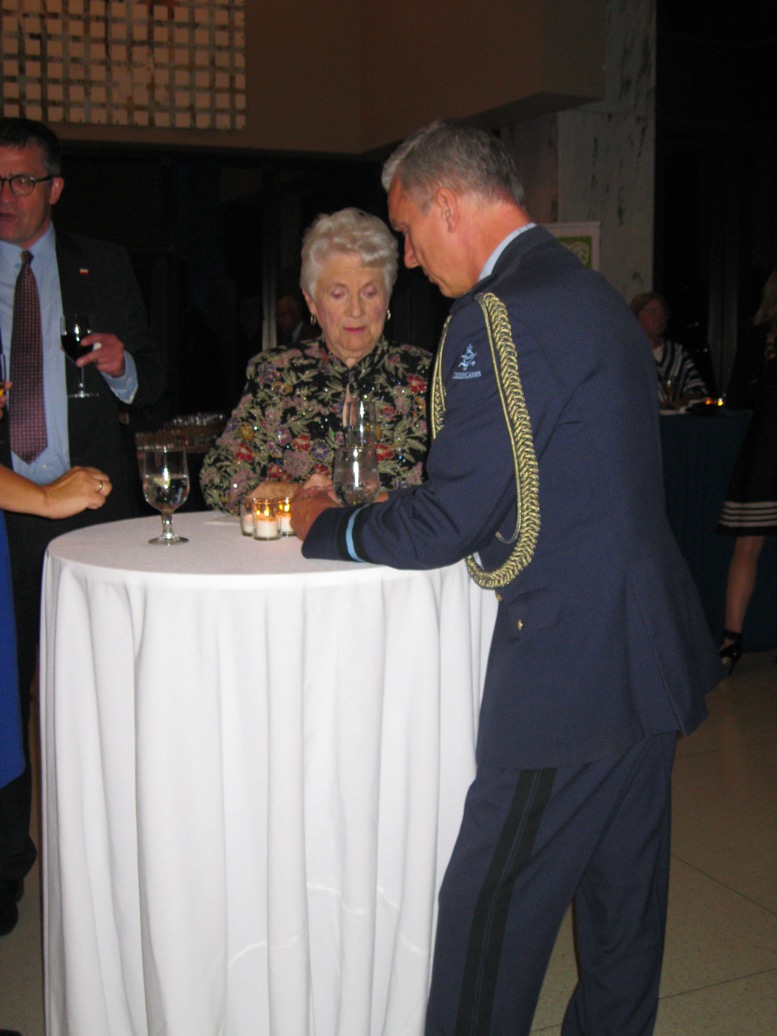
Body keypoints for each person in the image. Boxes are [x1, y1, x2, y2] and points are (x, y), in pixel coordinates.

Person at [292, 119, 722, 1034]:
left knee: (490, 921)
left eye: (408, 228)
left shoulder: (494, 312)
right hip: (644, 650)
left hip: (569, 670)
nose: (406, 256)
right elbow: (547, 477)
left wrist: (323, 524)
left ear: (449, 205)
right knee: (621, 920)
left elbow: (451, 521)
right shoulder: (584, 289)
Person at [0, 116, 165, 935]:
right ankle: (10, 865)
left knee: (99, 694)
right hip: (4, 518)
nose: (6, 197)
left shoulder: (106, 265)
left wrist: (119, 362)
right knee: (10, 704)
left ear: (55, 187)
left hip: (93, 518)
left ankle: (107, 852)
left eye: (22, 181)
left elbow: (153, 383)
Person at [200, 207, 432, 512]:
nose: (356, 311)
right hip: (297, 556)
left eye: (370, 293)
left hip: (399, 555)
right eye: (338, 294)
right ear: (311, 301)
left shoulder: (428, 376)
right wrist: (293, 494)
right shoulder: (278, 375)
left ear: (388, 297)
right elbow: (217, 476)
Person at [716, 268, 777, 672]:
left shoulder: (759, 336)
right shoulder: (758, 336)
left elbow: (737, 394)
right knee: (748, 546)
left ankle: (730, 642)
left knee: (748, 546)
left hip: (766, 448)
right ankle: (731, 639)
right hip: (766, 448)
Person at [630, 291, 709, 407]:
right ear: (636, 317)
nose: (659, 318)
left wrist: (681, 402)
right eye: (652, 313)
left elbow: (698, 389)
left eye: (663, 314)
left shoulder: (677, 352)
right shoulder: (629, 353)